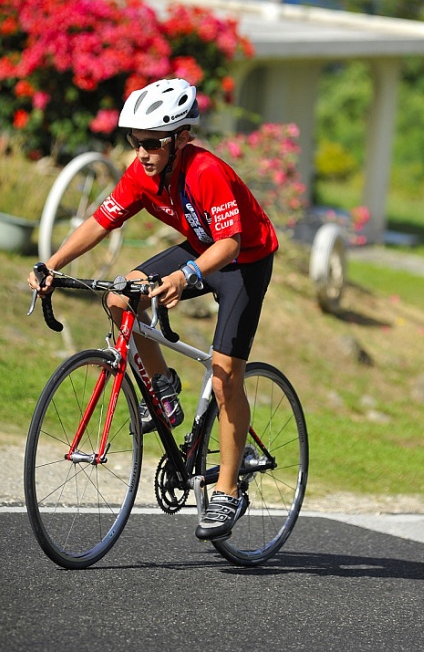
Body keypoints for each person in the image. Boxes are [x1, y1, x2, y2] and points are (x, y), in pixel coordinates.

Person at [28, 78, 278, 542]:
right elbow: (102, 220)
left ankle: (227, 490)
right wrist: (52, 264)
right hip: (203, 248)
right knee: (121, 297)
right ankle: (164, 388)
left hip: (243, 259)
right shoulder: (142, 173)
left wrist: (185, 276)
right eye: (134, 141)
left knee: (225, 375)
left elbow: (230, 242)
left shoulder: (206, 172)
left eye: (152, 143)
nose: (142, 152)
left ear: (182, 138)